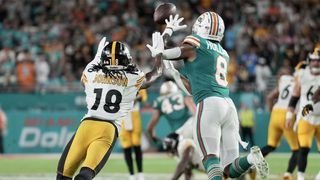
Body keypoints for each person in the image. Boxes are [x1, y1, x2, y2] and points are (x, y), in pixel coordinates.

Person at [147, 13, 268, 179]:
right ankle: (251, 158)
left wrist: (167, 33)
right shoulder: (222, 52)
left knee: (211, 160)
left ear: (201, 27)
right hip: (229, 107)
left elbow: (170, 52)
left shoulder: (197, 43)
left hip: (209, 105)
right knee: (229, 169)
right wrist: (174, 74)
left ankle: (249, 159)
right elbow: (192, 88)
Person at [56, 34, 163, 180]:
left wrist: (95, 59)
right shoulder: (132, 77)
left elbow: (84, 81)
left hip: (86, 126)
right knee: (85, 175)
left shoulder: (92, 72)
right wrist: (159, 55)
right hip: (108, 129)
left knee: (63, 176)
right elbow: (156, 74)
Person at [286, 47, 320, 180]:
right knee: (303, 148)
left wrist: (312, 103)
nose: (316, 63)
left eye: (318, 61)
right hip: (306, 116)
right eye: (314, 61)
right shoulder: (302, 74)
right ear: (309, 61)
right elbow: (294, 96)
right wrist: (289, 116)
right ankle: (300, 177)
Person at [260, 67, 299, 180]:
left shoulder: (284, 80)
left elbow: (269, 97)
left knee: (270, 145)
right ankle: (288, 174)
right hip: (288, 114)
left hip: (276, 113)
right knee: (297, 149)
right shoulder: (300, 80)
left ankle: (248, 165)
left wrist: (271, 111)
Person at [119, 89, 147, 180]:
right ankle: (131, 174)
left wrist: (135, 98)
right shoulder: (118, 81)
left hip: (134, 114)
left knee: (137, 145)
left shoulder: (138, 80)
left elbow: (143, 97)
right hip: (122, 115)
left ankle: (140, 172)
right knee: (126, 146)